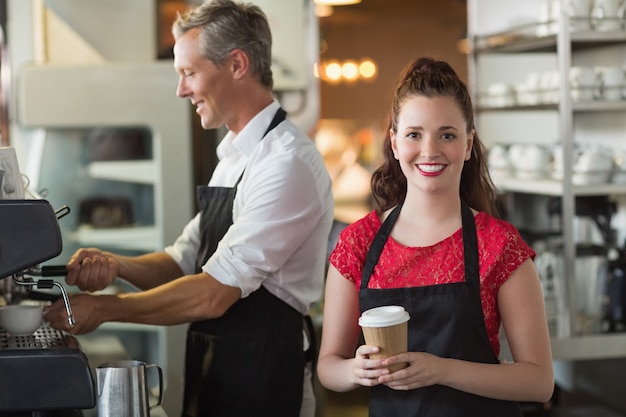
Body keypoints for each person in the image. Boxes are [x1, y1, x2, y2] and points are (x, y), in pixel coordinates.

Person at [44, 1, 334, 416]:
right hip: (221, 370)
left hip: (268, 381)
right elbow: (183, 262)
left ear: (236, 64)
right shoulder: (234, 157)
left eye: (189, 73)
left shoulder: (286, 164)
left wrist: (107, 308)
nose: (181, 90)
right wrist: (116, 266)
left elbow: (214, 293)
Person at [316, 56, 554, 417]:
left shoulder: (499, 245)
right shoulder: (358, 244)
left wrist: (443, 370)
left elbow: (538, 381)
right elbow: (328, 367)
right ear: (395, 143)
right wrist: (354, 370)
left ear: (469, 143)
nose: (430, 151)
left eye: (447, 135)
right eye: (414, 134)